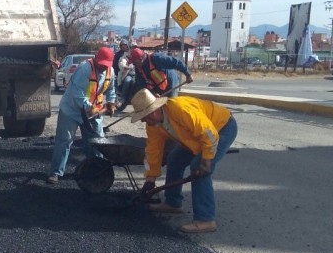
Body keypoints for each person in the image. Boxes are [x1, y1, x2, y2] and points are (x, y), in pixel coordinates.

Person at [130, 88, 237, 233]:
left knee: (198, 169)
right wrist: (150, 178)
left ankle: (206, 220)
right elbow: (153, 151)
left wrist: (206, 161)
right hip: (194, 137)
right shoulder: (153, 125)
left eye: (145, 116)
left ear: (155, 110)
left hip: (221, 128)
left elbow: (209, 134)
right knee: (174, 160)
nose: (143, 120)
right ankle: (173, 203)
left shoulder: (180, 109)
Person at [46, 46, 116, 185]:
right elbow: (77, 94)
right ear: (96, 59)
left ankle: (97, 170)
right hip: (71, 110)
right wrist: (91, 108)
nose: (103, 68)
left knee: (97, 142)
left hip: (92, 113)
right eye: (101, 65)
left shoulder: (111, 71)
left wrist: (111, 103)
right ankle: (55, 172)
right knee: (64, 140)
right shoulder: (84, 69)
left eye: (106, 66)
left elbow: (111, 90)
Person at [118, 47, 193, 110]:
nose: (133, 64)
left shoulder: (156, 58)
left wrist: (188, 74)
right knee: (158, 106)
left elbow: (176, 62)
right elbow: (141, 83)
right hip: (157, 84)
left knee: (171, 104)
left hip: (170, 81)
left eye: (134, 61)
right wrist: (153, 92)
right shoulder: (138, 67)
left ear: (140, 59)